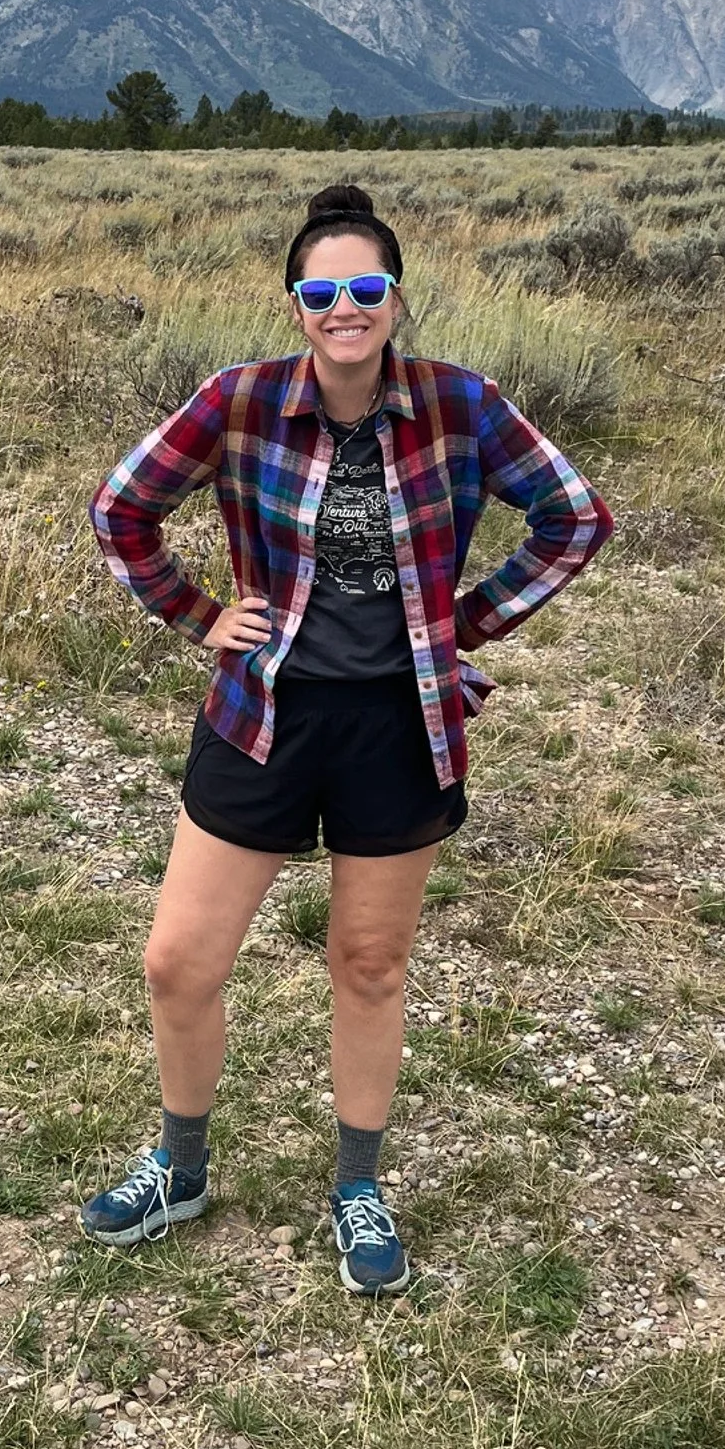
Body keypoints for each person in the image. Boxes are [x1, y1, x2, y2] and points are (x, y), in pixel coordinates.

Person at [83, 181, 613, 1294]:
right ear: (295, 307)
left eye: (365, 288)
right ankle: (180, 1166)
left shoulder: (461, 404)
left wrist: (466, 624)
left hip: (399, 726)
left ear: (395, 298)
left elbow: (576, 518)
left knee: (368, 966)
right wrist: (195, 613)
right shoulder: (237, 402)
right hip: (261, 715)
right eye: (322, 291)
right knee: (178, 963)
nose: (345, 308)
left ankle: (356, 1185)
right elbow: (121, 509)